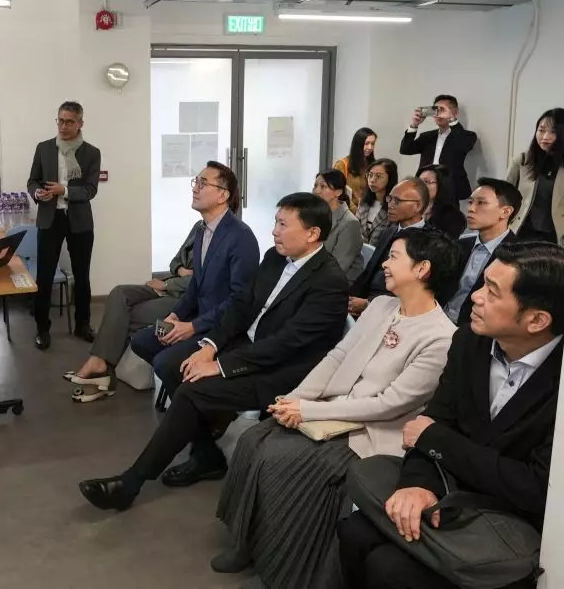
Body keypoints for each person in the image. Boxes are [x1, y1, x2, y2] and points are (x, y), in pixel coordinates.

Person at [212, 228, 460, 589]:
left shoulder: (440, 337)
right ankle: (245, 540)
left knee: (281, 459)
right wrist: (295, 399)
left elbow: (388, 405)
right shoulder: (382, 306)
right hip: (333, 409)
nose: (384, 264)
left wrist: (309, 411)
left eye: (394, 257)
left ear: (422, 269)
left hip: (370, 432)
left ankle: (284, 565)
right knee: (254, 439)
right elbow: (338, 355)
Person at [77, 193, 348, 511]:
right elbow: (241, 308)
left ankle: (132, 482)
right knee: (176, 365)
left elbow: (285, 344)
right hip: (246, 346)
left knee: (192, 391)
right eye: (275, 222)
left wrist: (221, 366)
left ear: (312, 233)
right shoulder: (276, 258)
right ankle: (206, 453)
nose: (274, 231)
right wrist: (211, 347)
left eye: (283, 225)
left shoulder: (329, 282)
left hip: (282, 370)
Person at [339, 241, 564, 589]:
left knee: (389, 567)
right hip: (450, 490)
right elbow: (436, 420)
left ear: (536, 320)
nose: (475, 297)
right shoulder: (469, 342)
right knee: (355, 530)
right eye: (482, 283)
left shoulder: (558, 382)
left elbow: (535, 487)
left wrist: (437, 440)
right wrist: (418, 484)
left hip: (508, 522)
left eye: (492, 292)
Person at [128, 163, 259, 387]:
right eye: (196, 182)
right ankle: (190, 390)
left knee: (164, 362)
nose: (195, 188)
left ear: (223, 195)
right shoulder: (202, 230)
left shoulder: (241, 237)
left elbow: (239, 300)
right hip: (198, 318)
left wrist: (193, 327)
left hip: (222, 328)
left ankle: (196, 398)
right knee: (141, 341)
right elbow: (196, 285)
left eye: (203, 183)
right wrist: (175, 315)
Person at [60, 220, 198, 400]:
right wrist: (181, 271)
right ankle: (101, 369)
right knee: (119, 293)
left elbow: (203, 281)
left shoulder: (225, 236)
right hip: (170, 285)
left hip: (185, 298)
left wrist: (168, 284)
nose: (194, 197)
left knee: (123, 315)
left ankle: (101, 368)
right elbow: (175, 262)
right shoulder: (200, 227)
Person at [27, 101, 101, 350]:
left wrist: (64, 190)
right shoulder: (44, 148)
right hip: (50, 218)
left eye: (70, 121)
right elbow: (32, 181)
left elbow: (90, 190)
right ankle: (42, 328)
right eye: (60, 120)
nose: (64, 126)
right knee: (44, 276)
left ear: (80, 123)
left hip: (79, 221)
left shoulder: (91, 152)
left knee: (82, 276)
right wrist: (38, 193)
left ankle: (83, 325)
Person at [445, 178, 521, 326]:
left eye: (481, 203)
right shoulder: (460, 244)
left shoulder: (518, 255)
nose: (471, 208)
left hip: (479, 329)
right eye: (470, 202)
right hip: (441, 319)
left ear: (505, 212)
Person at [349, 178, 429, 316]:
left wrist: (368, 304)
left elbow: (412, 293)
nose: (390, 204)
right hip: (366, 300)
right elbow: (369, 272)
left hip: (392, 311)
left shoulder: (427, 242)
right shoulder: (390, 231)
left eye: (397, 201)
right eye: (389, 199)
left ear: (418, 205)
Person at [401, 95, 478, 201]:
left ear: (455, 112)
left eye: (442, 110)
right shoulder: (427, 136)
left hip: (451, 187)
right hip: (425, 186)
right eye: (435, 110)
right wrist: (414, 124)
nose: (438, 114)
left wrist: (451, 119)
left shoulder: (467, 135)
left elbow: (464, 145)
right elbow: (405, 149)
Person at [506, 108, 564, 246]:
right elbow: (505, 196)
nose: (545, 137)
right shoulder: (523, 161)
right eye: (541, 130)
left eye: (553, 132)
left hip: (555, 238)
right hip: (520, 232)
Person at [313, 169, 364, 282]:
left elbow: (338, 266)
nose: (316, 191)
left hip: (340, 282)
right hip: (317, 274)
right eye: (315, 186)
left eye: (323, 186)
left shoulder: (350, 223)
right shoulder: (316, 216)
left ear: (338, 192)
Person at [334, 127, 378, 213]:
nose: (370, 147)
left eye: (372, 144)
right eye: (366, 143)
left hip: (368, 212)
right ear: (358, 144)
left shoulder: (374, 165)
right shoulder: (342, 164)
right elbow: (339, 192)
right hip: (348, 212)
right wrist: (356, 211)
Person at [357, 158, 399, 246]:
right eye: (370, 175)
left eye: (378, 176)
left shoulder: (394, 206)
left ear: (390, 178)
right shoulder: (363, 202)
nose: (372, 180)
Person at [419, 164, 467, 238]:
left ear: (442, 184)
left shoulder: (452, 217)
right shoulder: (411, 210)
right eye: (418, 181)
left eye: (427, 182)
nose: (420, 186)